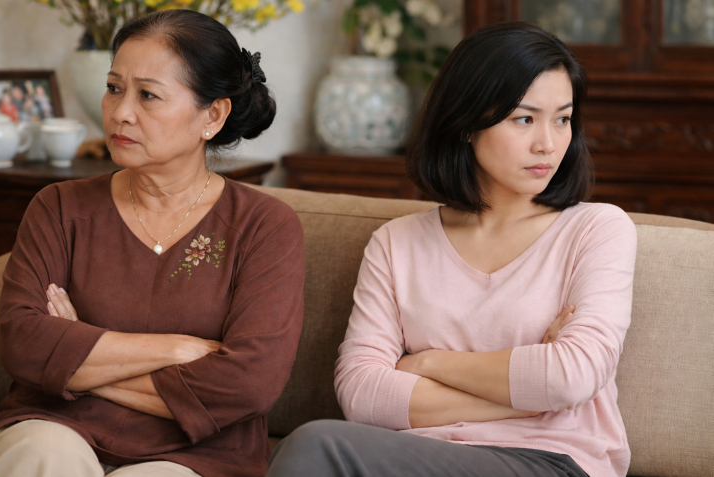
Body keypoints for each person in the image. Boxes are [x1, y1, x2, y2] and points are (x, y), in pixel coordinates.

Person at [266, 22, 636, 477]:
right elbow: (362, 395)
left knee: (316, 446)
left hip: (550, 461)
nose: (548, 143)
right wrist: (529, 398)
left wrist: (428, 362)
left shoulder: (597, 230)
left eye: (562, 119)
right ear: (466, 124)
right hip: (419, 458)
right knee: (311, 446)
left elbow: (571, 375)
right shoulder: (396, 243)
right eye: (524, 119)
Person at [0, 9, 304, 477]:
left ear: (212, 115)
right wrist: (176, 350)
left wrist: (74, 356)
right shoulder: (59, 207)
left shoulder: (264, 226)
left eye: (148, 95)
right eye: (113, 88)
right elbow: (22, 345)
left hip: (195, 455)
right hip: (51, 425)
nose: (120, 112)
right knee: (44, 454)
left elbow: (247, 385)